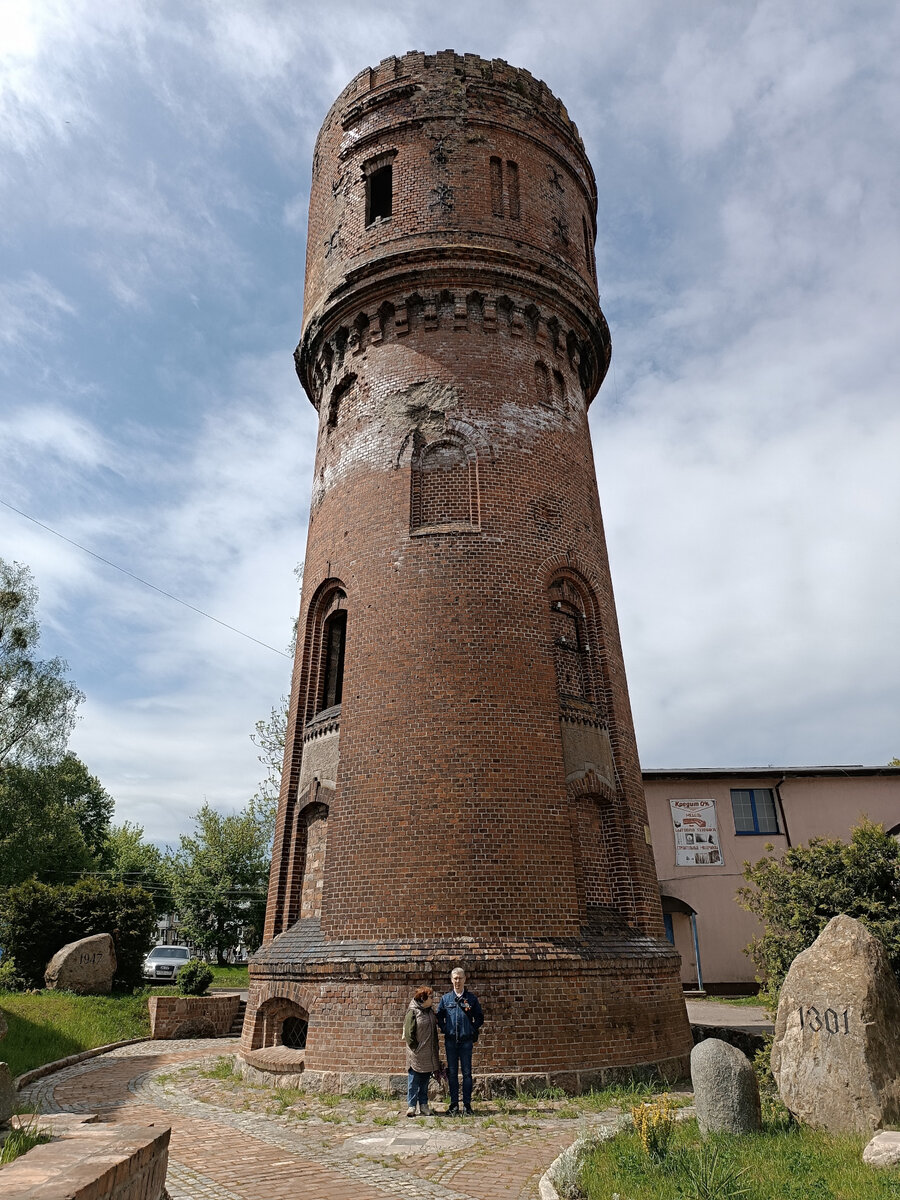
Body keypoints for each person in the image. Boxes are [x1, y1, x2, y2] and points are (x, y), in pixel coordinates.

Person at [436, 966, 484, 1115]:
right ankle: (454, 1104)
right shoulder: (446, 999)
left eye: (460, 978)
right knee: (452, 1073)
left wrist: (471, 1029)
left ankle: (467, 1105)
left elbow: (480, 1017)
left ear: (465, 979)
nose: (457, 981)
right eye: (455, 978)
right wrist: (446, 1029)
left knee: (467, 1073)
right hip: (451, 1041)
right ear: (451, 980)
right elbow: (439, 1017)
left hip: (466, 1042)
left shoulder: (471, 999)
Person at [403, 985, 440, 1117]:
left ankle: (424, 1105)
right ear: (423, 998)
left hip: (428, 1053)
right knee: (414, 1080)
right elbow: (409, 1033)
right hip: (417, 1053)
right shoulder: (413, 1012)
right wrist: (416, 1048)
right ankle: (411, 1106)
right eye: (431, 997)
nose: (433, 999)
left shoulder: (430, 1012)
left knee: (425, 1081)